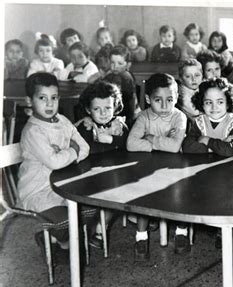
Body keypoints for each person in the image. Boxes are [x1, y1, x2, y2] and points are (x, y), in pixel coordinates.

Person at [16, 72, 89, 260]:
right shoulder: (33, 131)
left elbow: (85, 147)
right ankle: (57, 240)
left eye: (54, 98)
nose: (49, 104)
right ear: (29, 101)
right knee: (69, 222)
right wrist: (71, 151)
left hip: (62, 188)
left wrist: (63, 154)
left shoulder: (63, 121)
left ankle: (58, 243)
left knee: (91, 211)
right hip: (38, 193)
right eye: (42, 98)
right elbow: (55, 162)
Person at [126, 73, 187, 259]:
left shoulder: (179, 117)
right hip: (150, 168)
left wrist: (150, 138)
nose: (164, 105)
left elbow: (175, 147)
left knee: (180, 197)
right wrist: (162, 144)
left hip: (175, 169)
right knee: (144, 197)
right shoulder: (144, 117)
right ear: (147, 99)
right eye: (158, 100)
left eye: (170, 99)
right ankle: (141, 236)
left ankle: (181, 232)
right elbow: (131, 144)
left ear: (177, 98)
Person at [181, 78, 233, 249]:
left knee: (227, 192)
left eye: (220, 102)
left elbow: (229, 151)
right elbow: (187, 147)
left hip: (232, 172)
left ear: (228, 102)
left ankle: (224, 229)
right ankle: (188, 226)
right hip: (205, 170)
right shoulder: (198, 121)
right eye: (208, 102)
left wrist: (207, 140)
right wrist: (217, 146)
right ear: (201, 103)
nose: (214, 107)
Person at [76, 80, 128, 248]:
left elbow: (127, 142)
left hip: (116, 172)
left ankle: (101, 228)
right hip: (90, 174)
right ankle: (90, 228)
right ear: (88, 110)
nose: (103, 113)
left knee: (117, 194)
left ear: (116, 107)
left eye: (108, 108)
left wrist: (110, 139)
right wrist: (112, 144)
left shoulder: (118, 124)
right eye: (97, 109)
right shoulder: (86, 126)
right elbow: (89, 148)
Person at [102, 44, 139, 128]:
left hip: (125, 115)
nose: (115, 66)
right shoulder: (110, 76)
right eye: (112, 63)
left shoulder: (126, 77)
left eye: (120, 63)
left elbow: (129, 103)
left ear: (128, 65)